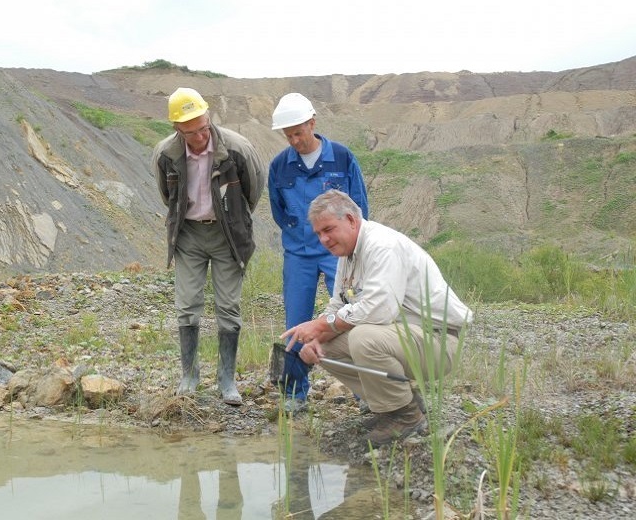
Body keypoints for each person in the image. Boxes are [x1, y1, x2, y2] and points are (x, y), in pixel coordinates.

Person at [280, 190, 473, 445]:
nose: (323, 239)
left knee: (363, 337)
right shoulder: (347, 255)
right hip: (405, 337)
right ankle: (399, 404)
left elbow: (380, 309)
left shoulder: (382, 245)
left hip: (440, 341)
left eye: (328, 229)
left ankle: (405, 416)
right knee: (325, 346)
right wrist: (317, 336)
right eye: (318, 233)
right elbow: (338, 304)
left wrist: (322, 325)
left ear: (351, 220)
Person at [152, 87, 265, 406]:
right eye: (191, 132)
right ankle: (189, 376)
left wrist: (231, 220)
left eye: (203, 127)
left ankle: (227, 380)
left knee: (228, 306)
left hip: (227, 235)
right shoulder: (166, 154)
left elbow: (253, 190)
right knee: (187, 304)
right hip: (189, 235)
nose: (200, 136)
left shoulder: (237, 149)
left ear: (208, 116)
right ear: (177, 128)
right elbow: (167, 195)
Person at [268, 93, 369, 414]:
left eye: (298, 133)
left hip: (338, 254)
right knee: (297, 322)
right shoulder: (279, 166)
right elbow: (279, 211)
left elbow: (359, 207)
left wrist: (352, 248)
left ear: (312, 123)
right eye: (288, 136)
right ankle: (294, 393)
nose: (294, 140)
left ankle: (365, 393)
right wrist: (299, 235)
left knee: (349, 316)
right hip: (298, 254)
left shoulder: (341, 158)